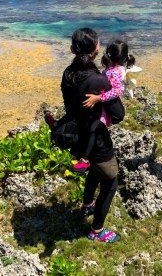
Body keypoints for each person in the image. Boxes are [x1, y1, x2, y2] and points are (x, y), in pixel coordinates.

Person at [61, 27, 125, 242]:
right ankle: (97, 231)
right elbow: (118, 115)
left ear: (72, 49)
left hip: (76, 136)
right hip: (96, 139)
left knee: (93, 171)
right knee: (110, 181)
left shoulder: (68, 73)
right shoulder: (97, 80)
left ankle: (87, 205)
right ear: (97, 49)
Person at [74, 39, 135, 172]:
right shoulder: (113, 68)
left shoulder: (117, 71)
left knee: (94, 128)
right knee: (93, 128)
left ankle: (85, 159)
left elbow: (117, 90)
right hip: (104, 104)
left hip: (106, 105)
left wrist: (98, 98)